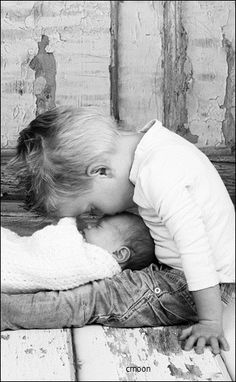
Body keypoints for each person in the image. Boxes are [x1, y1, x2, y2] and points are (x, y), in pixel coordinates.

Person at [3, 106, 235, 358]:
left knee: (98, 299)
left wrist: (211, 321)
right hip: (186, 275)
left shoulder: (158, 173)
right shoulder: (154, 148)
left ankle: (9, 310)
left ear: (101, 171)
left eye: (92, 207)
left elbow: (196, 249)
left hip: (198, 287)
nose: (96, 216)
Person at [1, 212, 156, 293]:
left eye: (98, 227)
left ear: (120, 254)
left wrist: (69, 215)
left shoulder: (99, 265)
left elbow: (58, 253)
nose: (88, 226)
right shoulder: (93, 257)